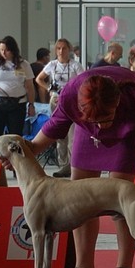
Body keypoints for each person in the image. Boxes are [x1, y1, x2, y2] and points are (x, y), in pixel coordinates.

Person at [28, 67, 135, 268]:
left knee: (120, 195)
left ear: (116, 103)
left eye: (105, 120)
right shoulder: (70, 97)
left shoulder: (134, 103)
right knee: (78, 194)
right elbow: (50, 131)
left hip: (127, 128)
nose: (101, 127)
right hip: (85, 130)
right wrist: (21, 154)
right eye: (96, 121)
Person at [35, 39, 84, 178]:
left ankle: (73, 165)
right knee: (59, 134)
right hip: (56, 101)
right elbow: (39, 79)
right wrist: (50, 89)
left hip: (73, 102)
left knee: (73, 135)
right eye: (58, 49)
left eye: (64, 48)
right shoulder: (52, 65)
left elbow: (83, 81)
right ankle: (63, 165)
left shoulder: (75, 65)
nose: (61, 51)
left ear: (69, 50)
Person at [0, 36, 36, 143]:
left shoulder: (24, 64)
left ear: (12, 50)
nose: (3, 53)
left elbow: (29, 86)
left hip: (18, 103)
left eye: (6, 50)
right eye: (1, 50)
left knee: (15, 136)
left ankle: (13, 159)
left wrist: (31, 104)